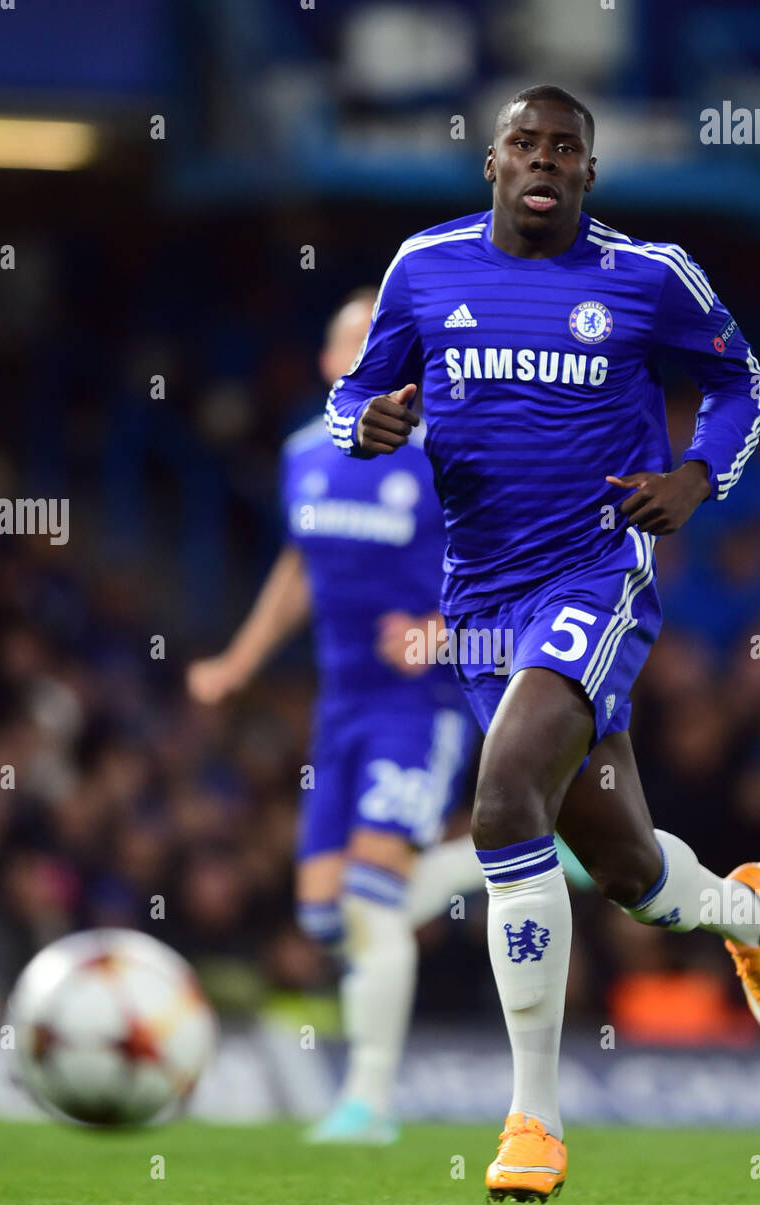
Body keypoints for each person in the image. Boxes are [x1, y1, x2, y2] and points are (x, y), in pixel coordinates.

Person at [326, 86, 760, 1198]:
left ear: (589, 174)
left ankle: (533, 1120)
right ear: (490, 162)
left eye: (567, 149)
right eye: (525, 144)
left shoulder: (647, 277)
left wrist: (696, 475)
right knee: (628, 864)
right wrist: (368, 425)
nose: (544, 160)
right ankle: (743, 909)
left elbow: (744, 381)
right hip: (483, 601)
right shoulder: (424, 268)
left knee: (503, 803)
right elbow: (356, 394)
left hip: (597, 573)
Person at [187, 288, 479, 1144]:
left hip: (421, 707)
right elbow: (298, 565)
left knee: (369, 901)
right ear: (328, 365)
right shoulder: (303, 455)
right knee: (325, 919)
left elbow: (509, 566)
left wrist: (442, 630)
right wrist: (241, 660)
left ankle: (367, 1102)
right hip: (341, 707)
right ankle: (513, 855)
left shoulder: (442, 459)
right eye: (354, 348)